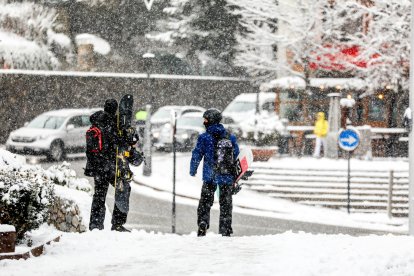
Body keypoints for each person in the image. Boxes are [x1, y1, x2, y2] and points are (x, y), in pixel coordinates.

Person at [87, 99, 143, 232]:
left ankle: (95, 225)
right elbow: (122, 144)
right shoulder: (115, 125)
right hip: (112, 167)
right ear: (116, 109)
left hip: (98, 167)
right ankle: (117, 224)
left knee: (99, 196)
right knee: (123, 189)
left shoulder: (97, 123)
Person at [190, 108, 240, 237]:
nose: (204, 122)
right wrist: (236, 175)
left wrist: (193, 169)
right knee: (226, 204)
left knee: (205, 203)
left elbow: (197, 154)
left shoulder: (204, 137)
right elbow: (237, 156)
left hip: (210, 176)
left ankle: (203, 222)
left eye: (205, 119)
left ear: (210, 120)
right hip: (226, 176)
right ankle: (225, 229)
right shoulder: (230, 137)